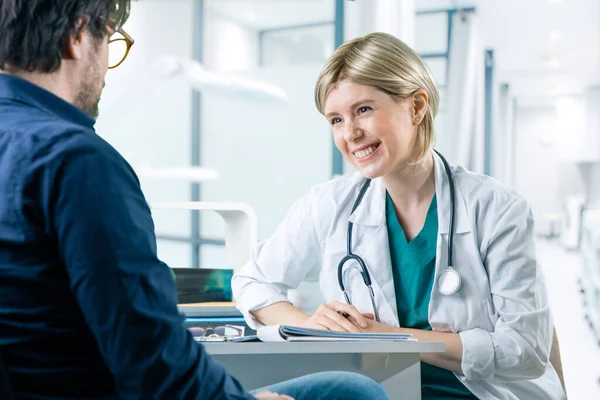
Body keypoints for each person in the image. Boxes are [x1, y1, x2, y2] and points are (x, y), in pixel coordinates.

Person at [0, 1, 390, 399]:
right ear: (80, 36)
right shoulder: (75, 160)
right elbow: (154, 362)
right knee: (353, 392)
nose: (105, 72)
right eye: (112, 41)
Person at [232, 32, 567, 399]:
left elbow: (527, 350)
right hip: (382, 390)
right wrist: (309, 325)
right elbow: (252, 281)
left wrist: (388, 340)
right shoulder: (329, 204)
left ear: (417, 106)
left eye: (363, 110)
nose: (350, 134)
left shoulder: (497, 210)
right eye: (335, 120)